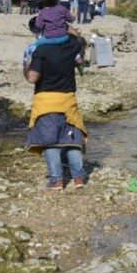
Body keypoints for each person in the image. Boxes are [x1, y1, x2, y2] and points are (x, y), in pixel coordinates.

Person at [24, 20, 87, 190]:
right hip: (68, 100)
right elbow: (80, 39)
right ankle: (79, 178)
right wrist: (63, 24)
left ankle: (57, 180)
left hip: (46, 101)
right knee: (71, 139)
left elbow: (32, 78)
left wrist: (25, 67)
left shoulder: (37, 49)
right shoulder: (71, 46)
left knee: (50, 141)